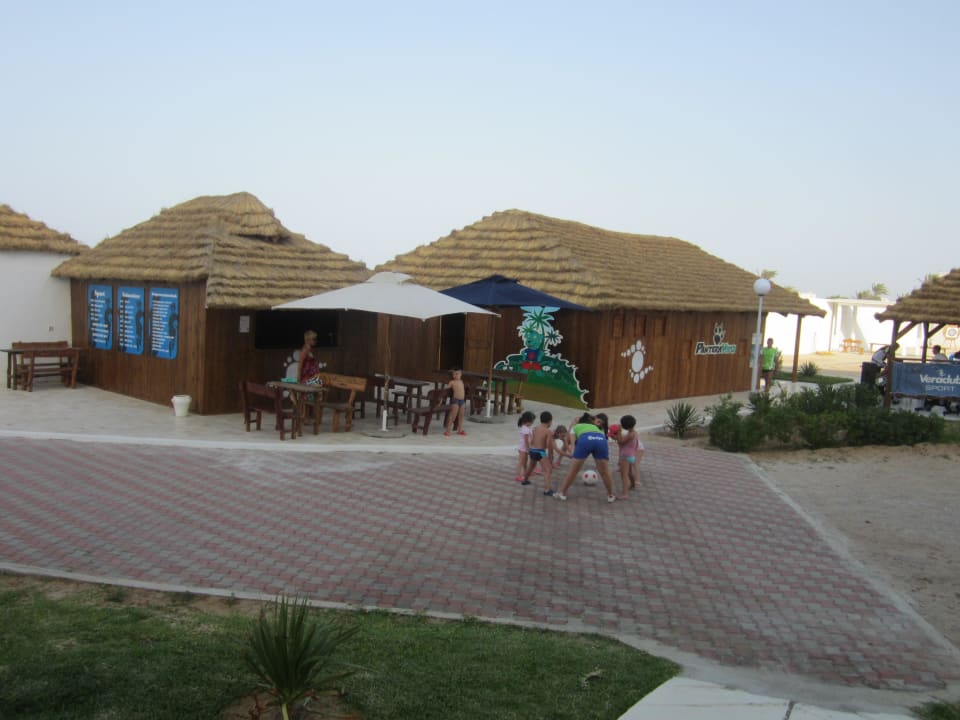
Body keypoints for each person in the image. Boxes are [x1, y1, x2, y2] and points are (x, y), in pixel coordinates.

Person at [554, 412, 617, 503]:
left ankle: (562, 493)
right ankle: (611, 495)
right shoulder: (597, 428)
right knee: (605, 472)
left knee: (573, 471)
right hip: (600, 440)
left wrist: (572, 452)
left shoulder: (575, 427)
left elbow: (572, 443)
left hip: (585, 440)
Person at [521, 411, 555, 495]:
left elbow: (532, 441)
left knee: (531, 466)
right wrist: (550, 457)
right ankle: (547, 490)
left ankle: (525, 480)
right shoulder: (548, 431)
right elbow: (549, 445)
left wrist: (530, 449)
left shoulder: (535, 428)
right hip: (541, 452)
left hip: (533, 451)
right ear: (550, 421)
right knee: (548, 470)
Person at [613, 415, 644, 499]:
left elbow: (621, 441)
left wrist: (619, 432)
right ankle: (633, 485)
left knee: (624, 475)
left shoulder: (630, 434)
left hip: (626, 456)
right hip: (631, 455)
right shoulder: (634, 432)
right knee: (629, 472)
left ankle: (625, 494)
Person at [514, 410, 537, 483]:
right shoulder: (525, 429)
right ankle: (518, 476)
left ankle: (526, 472)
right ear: (528, 421)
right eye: (532, 421)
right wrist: (528, 448)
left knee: (525, 461)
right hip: (523, 448)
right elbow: (526, 440)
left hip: (524, 448)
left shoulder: (526, 428)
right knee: (521, 462)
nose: (532, 423)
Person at [443, 368, 467, 436]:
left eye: (457, 374)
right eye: (454, 374)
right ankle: (448, 430)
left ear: (461, 374)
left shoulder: (461, 381)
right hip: (455, 400)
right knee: (453, 416)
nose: (455, 375)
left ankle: (460, 430)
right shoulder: (452, 382)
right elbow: (446, 389)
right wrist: (442, 395)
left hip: (462, 401)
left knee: (461, 416)